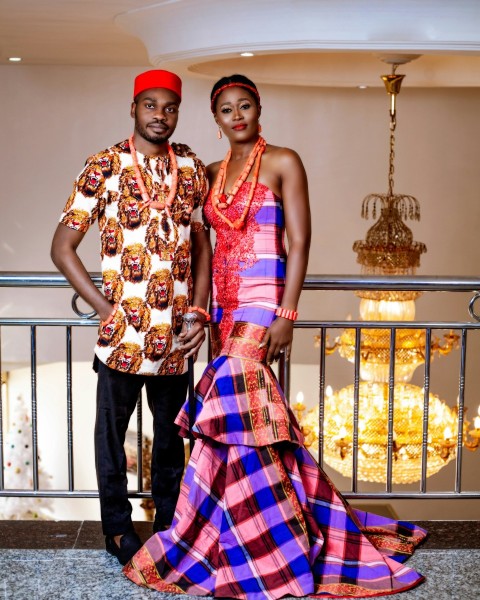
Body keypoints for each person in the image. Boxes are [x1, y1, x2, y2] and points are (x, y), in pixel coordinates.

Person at [123, 74, 427, 598]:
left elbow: (301, 240)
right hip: (223, 304)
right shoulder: (212, 172)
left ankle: (265, 544)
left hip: (264, 302)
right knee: (243, 420)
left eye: (244, 106)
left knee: (236, 413)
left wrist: (287, 312)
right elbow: (201, 245)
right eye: (225, 110)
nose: (235, 115)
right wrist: (199, 308)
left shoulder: (285, 160)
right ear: (215, 120)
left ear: (257, 109)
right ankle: (251, 527)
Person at [50, 69, 212, 566]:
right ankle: (118, 533)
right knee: (110, 443)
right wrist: (105, 310)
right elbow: (62, 248)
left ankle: (169, 528)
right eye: (151, 106)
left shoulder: (190, 166)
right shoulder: (105, 164)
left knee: (171, 444)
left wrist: (199, 312)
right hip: (121, 339)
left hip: (175, 340)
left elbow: (202, 240)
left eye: (170, 107)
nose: (160, 116)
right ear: (134, 108)